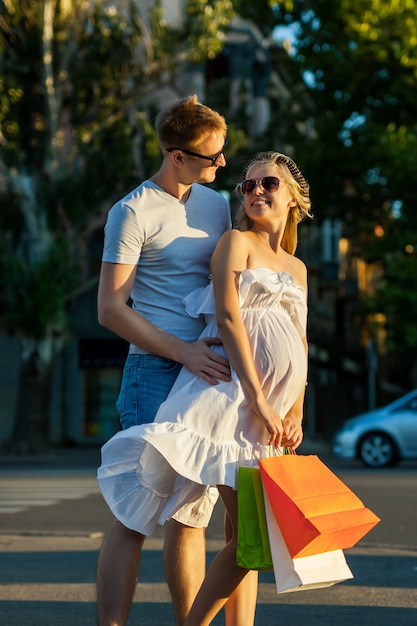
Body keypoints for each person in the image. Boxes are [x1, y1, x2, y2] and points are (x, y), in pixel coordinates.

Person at [98, 150, 313, 625]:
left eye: (268, 184)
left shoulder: (296, 268)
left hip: (273, 415)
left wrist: (294, 409)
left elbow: (299, 343)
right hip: (233, 405)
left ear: (294, 197)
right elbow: (229, 317)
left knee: (247, 537)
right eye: (248, 185)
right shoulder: (235, 242)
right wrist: (259, 399)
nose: (256, 190)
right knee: (245, 535)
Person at [96, 94, 258, 626]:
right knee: (134, 517)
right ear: (176, 157)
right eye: (213, 157)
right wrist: (181, 350)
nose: (222, 165)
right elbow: (110, 308)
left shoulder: (212, 202)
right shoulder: (132, 212)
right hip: (154, 370)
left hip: (206, 375)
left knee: (191, 518)